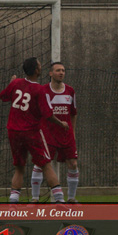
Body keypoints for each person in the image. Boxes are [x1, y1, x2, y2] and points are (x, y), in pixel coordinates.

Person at [0, 57, 69, 203]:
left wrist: (11, 83)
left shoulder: (17, 83)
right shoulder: (39, 89)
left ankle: (13, 203)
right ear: (37, 70)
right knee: (46, 164)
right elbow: (48, 114)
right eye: (39, 64)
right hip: (31, 132)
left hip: (13, 132)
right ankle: (60, 200)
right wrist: (60, 123)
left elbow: (3, 96)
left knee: (19, 167)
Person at [30, 62, 79, 203]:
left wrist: (73, 132)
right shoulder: (43, 90)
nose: (61, 73)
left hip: (66, 135)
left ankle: (71, 198)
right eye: (58, 70)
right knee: (40, 164)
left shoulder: (70, 91)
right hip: (47, 135)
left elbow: (74, 113)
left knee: (73, 164)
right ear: (51, 73)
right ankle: (34, 198)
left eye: (63, 70)